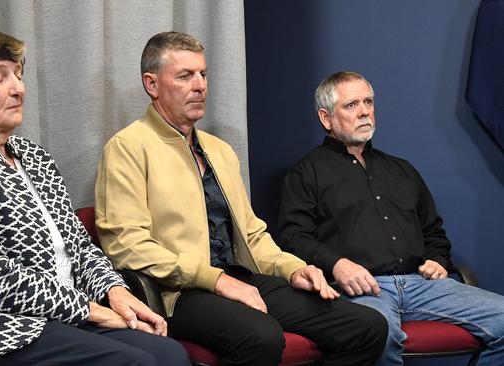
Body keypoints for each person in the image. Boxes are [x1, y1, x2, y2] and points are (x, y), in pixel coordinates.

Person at [0, 28, 190, 366]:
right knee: (135, 362)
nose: (18, 89)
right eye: (0, 78)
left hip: (49, 316)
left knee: (170, 354)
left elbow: (80, 246)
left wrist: (114, 292)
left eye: (19, 75)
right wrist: (87, 309)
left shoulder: (34, 157)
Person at [95, 31, 387, 366]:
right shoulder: (127, 148)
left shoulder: (219, 150)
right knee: (261, 338)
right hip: (179, 294)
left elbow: (252, 236)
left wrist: (293, 269)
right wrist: (215, 280)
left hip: (240, 278)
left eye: (203, 74)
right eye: (185, 76)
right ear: (152, 84)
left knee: (367, 326)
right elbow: (127, 246)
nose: (200, 85)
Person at [276, 70, 504, 366]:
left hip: (422, 285)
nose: (364, 112)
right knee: (378, 335)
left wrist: (437, 259)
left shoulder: (402, 170)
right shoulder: (306, 173)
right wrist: (338, 265)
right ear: (326, 118)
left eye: (368, 102)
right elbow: (293, 238)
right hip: (360, 290)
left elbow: (433, 231)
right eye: (351, 105)